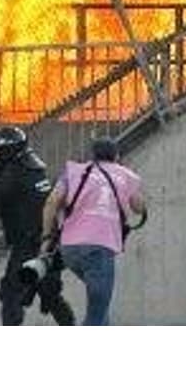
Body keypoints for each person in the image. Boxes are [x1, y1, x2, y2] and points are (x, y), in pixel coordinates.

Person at [0, 126, 75, 326]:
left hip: (29, 245)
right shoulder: (34, 169)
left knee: (11, 293)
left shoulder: (14, 173)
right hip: (49, 243)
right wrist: (0, 178)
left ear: (8, 151)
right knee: (49, 293)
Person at [39, 137, 146, 326]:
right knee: (96, 315)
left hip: (70, 250)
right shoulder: (125, 175)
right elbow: (138, 207)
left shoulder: (74, 171)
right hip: (99, 249)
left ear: (93, 155)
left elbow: (51, 202)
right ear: (116, 155)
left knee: (100, 309)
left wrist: (47, 237)